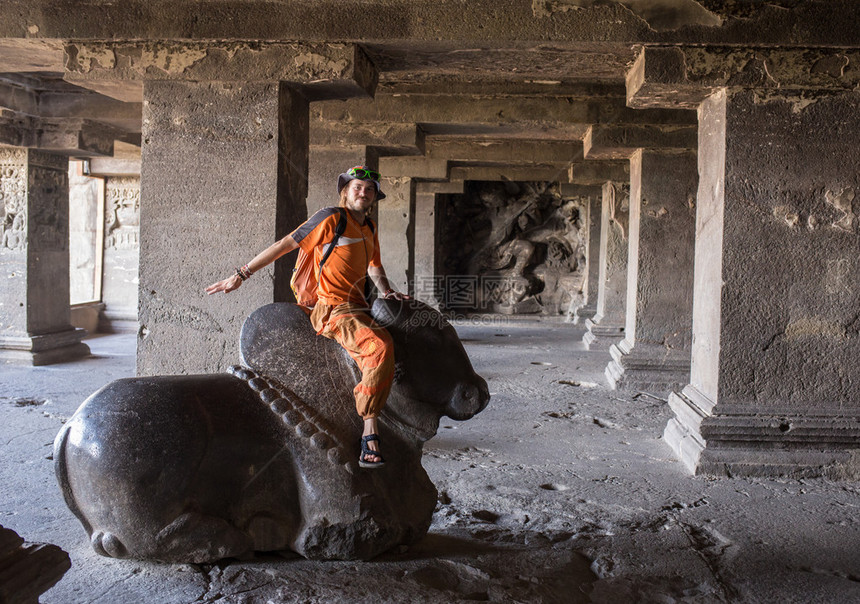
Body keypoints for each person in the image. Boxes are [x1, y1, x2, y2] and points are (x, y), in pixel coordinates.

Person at [205, 166, 409, 468]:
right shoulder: (331, 219)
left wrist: (388, 291)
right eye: (357, 187)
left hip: (358, 305)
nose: (363, 192)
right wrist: (241, 274)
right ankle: (369, 429)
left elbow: (374, 266)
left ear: (374, 197)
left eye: (369, 189)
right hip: (332, 307)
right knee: (380, 347)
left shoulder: (369, 227)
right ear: (346, 191)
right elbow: (285, 244)